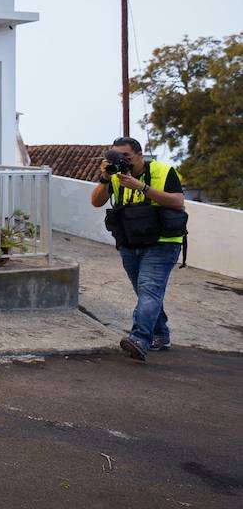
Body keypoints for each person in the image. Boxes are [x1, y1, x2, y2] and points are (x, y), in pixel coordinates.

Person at [89, 136, 186, 362]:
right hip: (131, 241)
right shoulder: (114, 175)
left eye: (127, 157)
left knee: (149, 288)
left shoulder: (164, 171)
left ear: (140, 155)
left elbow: (177, 202)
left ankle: (140, 338)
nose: (123, 162)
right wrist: (105, 177)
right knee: (145, 291)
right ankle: (160, 334)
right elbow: (95, 201)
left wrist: (142, 187)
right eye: (117, 157)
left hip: (162, 241)